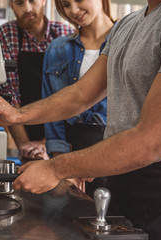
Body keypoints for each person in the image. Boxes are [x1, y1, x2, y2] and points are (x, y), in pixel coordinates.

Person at [0, 0, 161, 239]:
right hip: (121, 178)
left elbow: (150, 143)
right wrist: (18, 115)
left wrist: (55, 168)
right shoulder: (128, 24)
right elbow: (81, 95)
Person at [42, 0, 114, 196]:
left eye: (79, 0)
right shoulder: (57, 49)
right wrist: (63, 166)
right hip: (72, 149)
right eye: (65, 5)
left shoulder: (129, 42)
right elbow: (53, 110)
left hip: (117, 147)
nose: (73, 10)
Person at [0, 0, 74, 160]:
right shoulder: (5, 34)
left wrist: (48, 143)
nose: (27, 8)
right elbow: (8, 96)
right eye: (20, 3)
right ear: (11, 5)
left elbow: (71, 95)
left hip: (63, 133)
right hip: (23, 129)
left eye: (32, 1)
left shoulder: (65, 33)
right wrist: (26, 147)